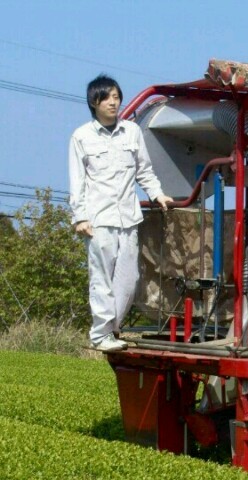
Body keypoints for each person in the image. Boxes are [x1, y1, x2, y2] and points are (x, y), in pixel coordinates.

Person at [69, 74, 173, 352]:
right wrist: (79, 216)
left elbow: (144, 171)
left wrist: (157, 194)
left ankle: (111, 328)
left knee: (130, 279)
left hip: (128, 217)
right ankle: (101, 334)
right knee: (101, 279)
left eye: (117, 97)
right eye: (108, 98)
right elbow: (77, 180)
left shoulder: (132, 132)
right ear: (95, 102)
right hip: (98, 219)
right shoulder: (81, 136)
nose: (114, 102)